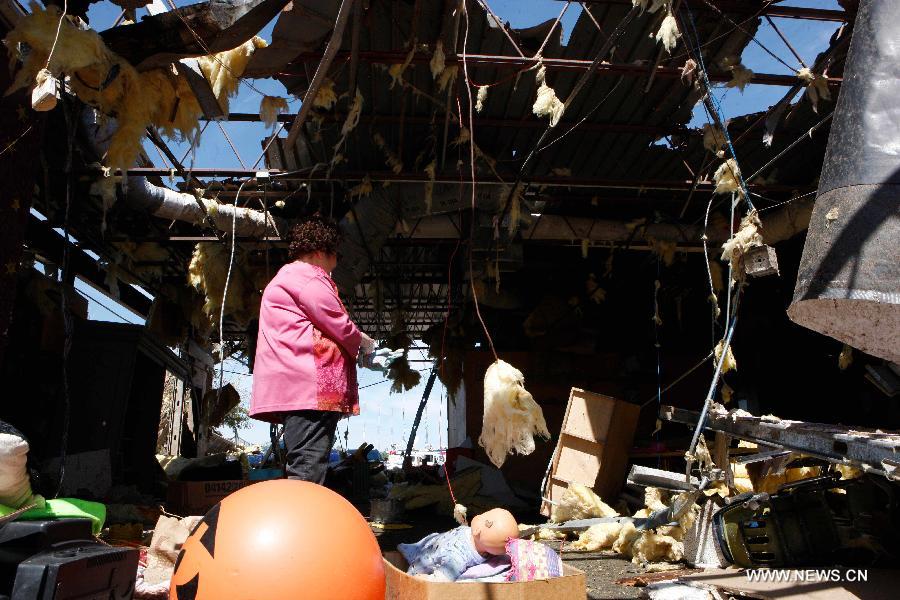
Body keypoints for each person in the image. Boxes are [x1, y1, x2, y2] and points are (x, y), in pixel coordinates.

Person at [250, 215, 375, 482]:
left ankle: (303, 519)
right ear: (320, 252)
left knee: (306, 461)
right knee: (308, 465)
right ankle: (304, 522)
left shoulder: (289, 278)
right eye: (335, 255)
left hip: (298, 389)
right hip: (308, 390)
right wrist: (363, 342)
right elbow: (336, 321)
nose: (337, 262)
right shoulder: (307, 278)